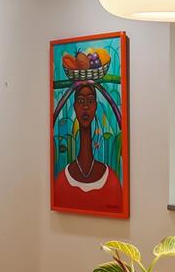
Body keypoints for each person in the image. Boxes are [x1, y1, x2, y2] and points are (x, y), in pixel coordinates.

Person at [52, 49, 127, 215]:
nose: (85, 106)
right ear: (74, 106)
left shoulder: (112, 181)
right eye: (80, 101)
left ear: (95, 106)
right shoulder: (62, 181)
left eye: (90, 100)